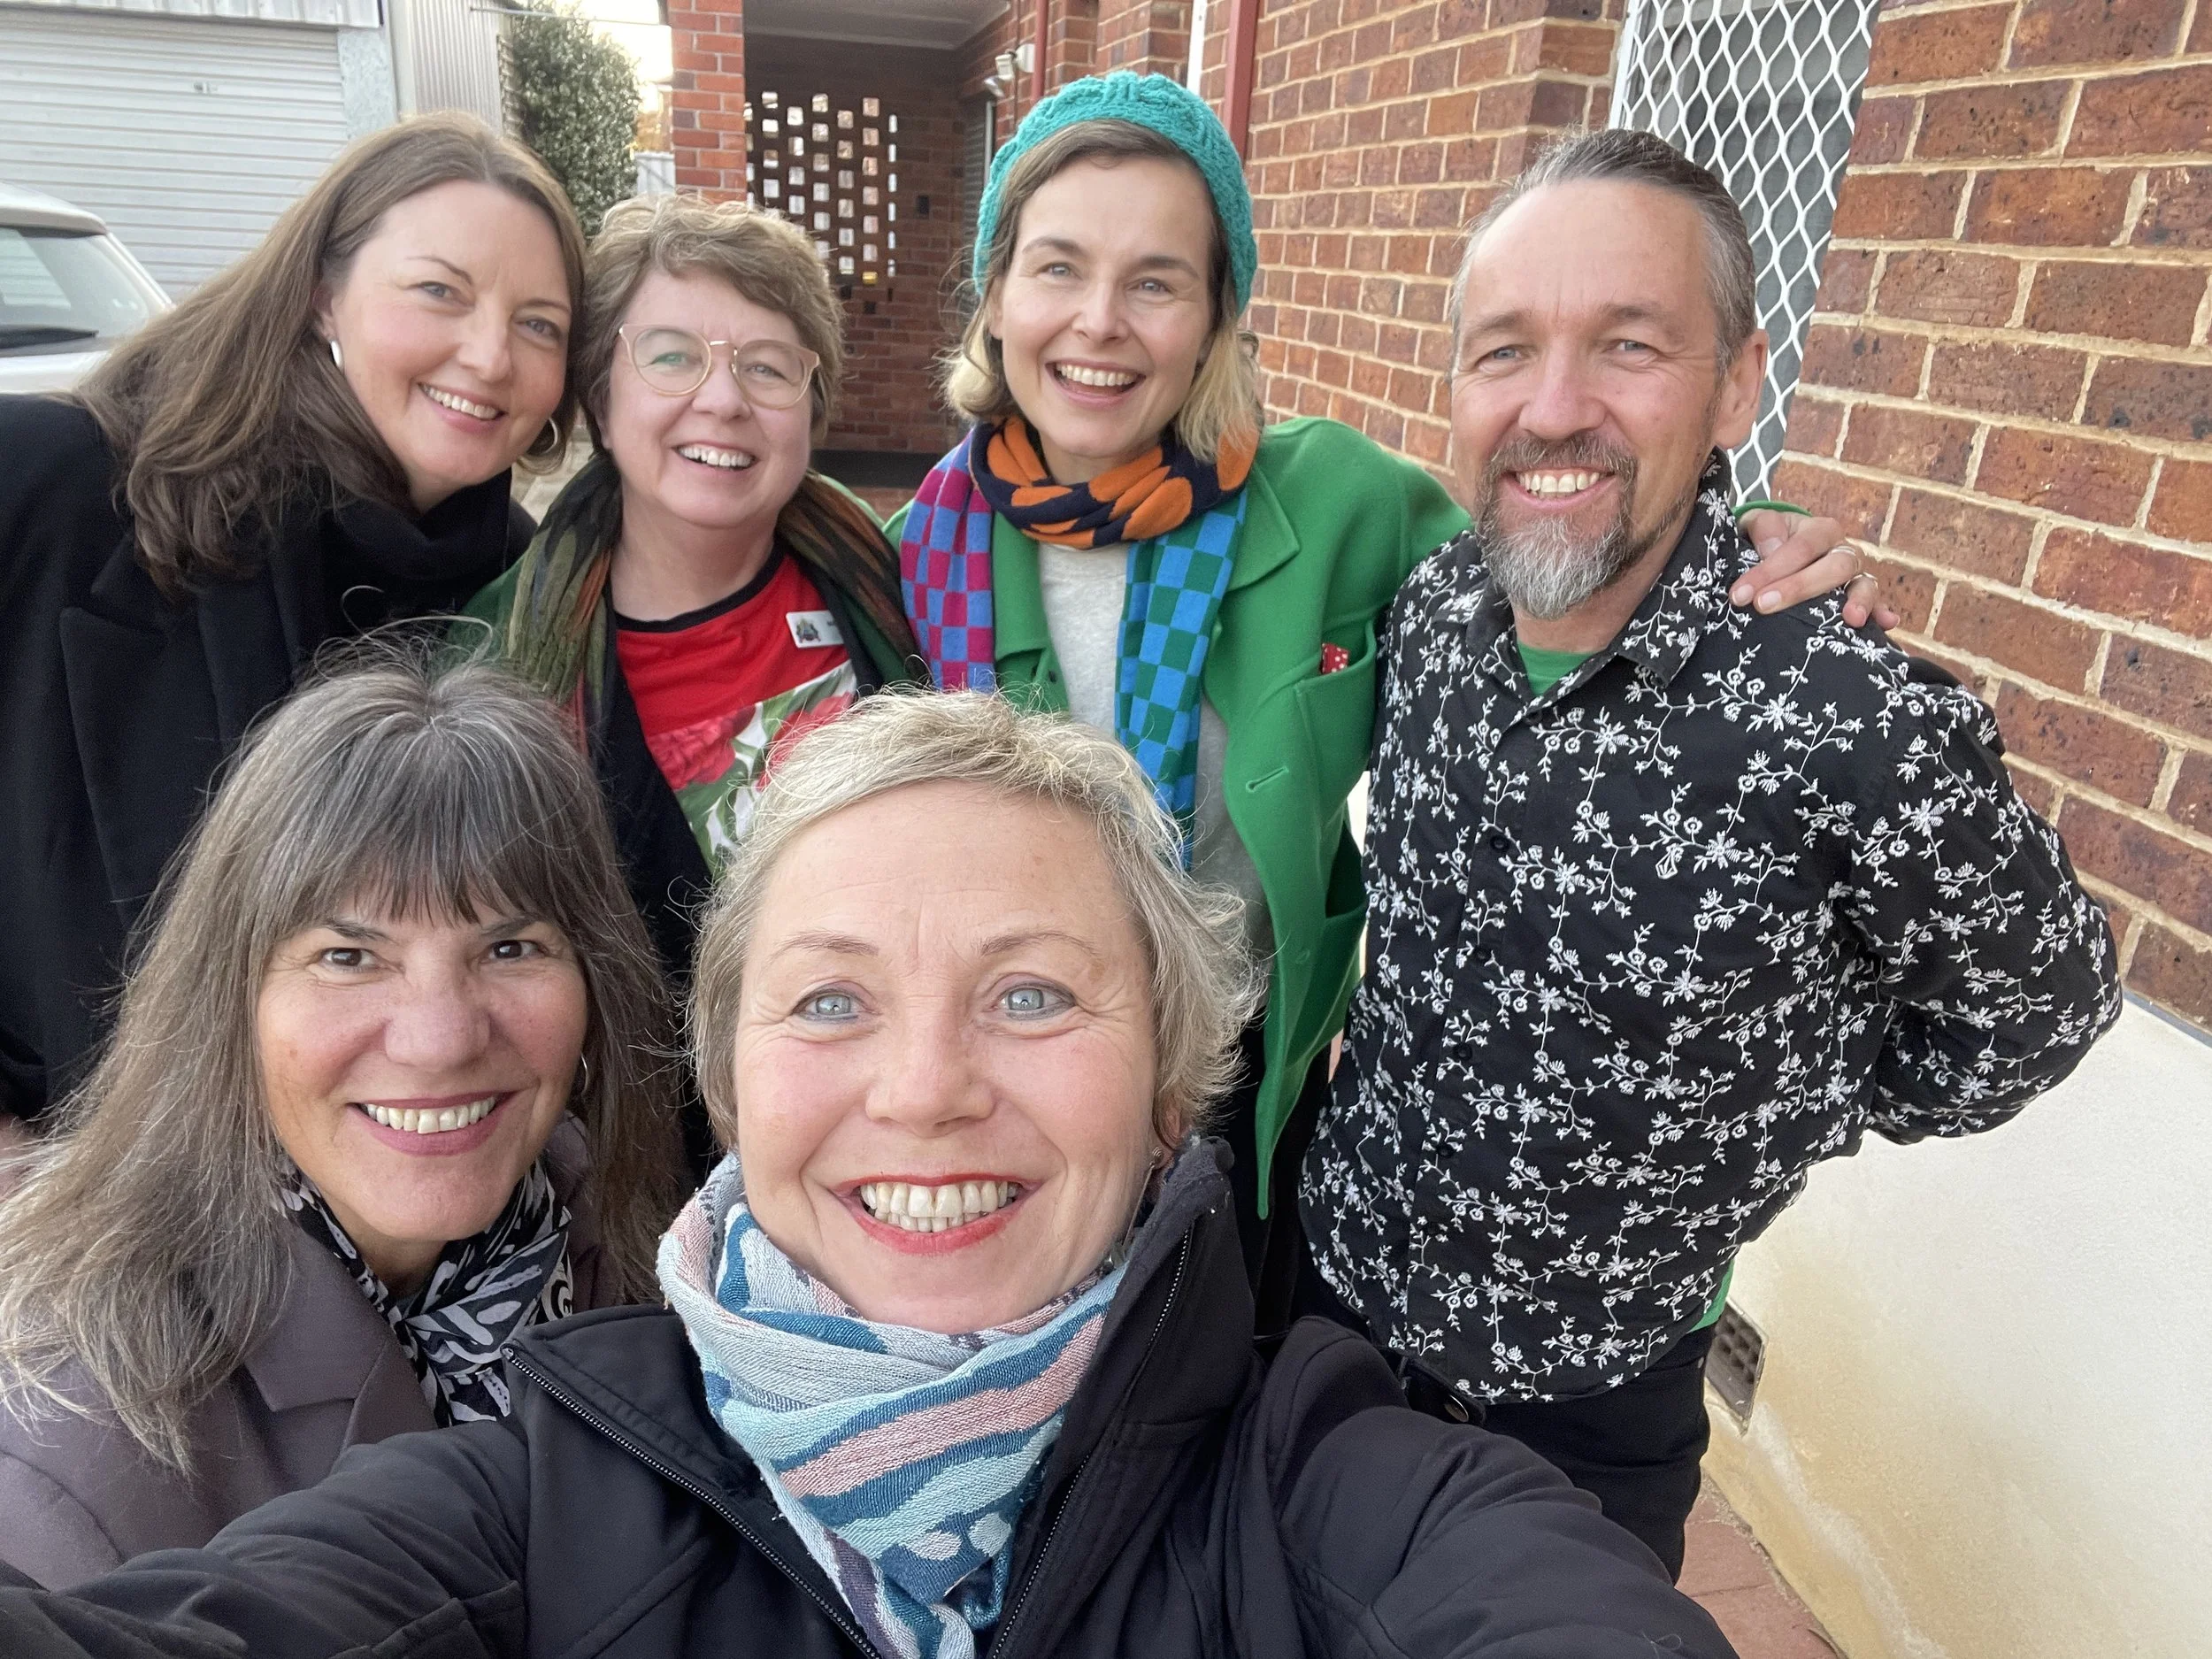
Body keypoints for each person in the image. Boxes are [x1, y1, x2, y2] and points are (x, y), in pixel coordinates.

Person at [0, 690, 1736, 1658]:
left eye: (1031, 994)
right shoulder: (538, 1496)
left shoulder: (1334, 1479)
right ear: (730, 1081)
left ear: (1168, 1091)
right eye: (831, 999)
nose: (923, 1091)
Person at [887, 72, 1881, 1323]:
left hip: (1239, 1089)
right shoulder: (911, 563)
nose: (1100, 322)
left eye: (1156, 281)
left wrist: (1756, 545)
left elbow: (1571, 542)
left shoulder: (1340, 502)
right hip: (1002, 1089)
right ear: (995, 296)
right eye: (1057, 268)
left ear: (1216, 316)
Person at [1302, 129, 2124, 1578]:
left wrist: (1783, 1103)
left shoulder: (1845, 711)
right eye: (1504, 350)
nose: (1554, 406)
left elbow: (2043, 1004)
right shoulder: (1430, 612)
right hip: (1332, 1309)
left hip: (1584, 1412)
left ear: (1738, 383)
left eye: (1628, 344)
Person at [0, 656, 687, 1589]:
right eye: (349, 956)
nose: (440, 1040)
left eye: (510, 946)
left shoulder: (646, 1262)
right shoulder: (71, 1456)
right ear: (230, 996)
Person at [0, 114, 587, 1135]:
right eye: (439, 292)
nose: (491, 354)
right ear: (323, 296)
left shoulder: (517, 585)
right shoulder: (56, 480)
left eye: (539, 324)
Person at [465, 195, 920, 1019]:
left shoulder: (893, 580)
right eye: (671, 357)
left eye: (768, 366)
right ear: (603, 403)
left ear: (811, 410)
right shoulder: (486, 661)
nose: (724, 400)